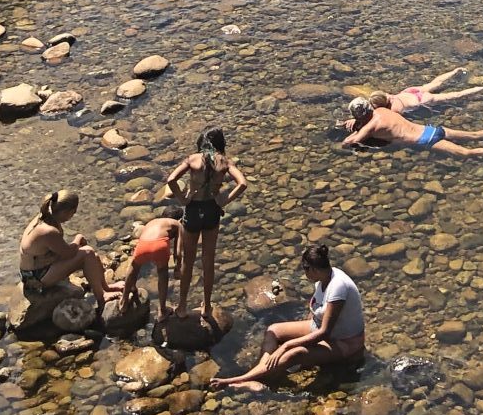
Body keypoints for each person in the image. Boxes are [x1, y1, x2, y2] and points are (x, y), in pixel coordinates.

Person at [211, 242, 366, 393]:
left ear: (312, 269)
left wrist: (287, 345)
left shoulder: (338, 287)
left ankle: (239, 381)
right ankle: (259, 372)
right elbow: (314, 310)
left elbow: (325, 332)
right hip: (320, 328)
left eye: (305, 269)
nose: (304, 274)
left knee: (295, 353)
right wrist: (300, 337)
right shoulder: (324, 278)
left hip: (344, 342)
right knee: (274, 330)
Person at [167, 126, 247, 323]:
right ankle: (207, 306)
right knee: (208, 260)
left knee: (188, 261)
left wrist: (182, 199)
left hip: (193, 210)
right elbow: (243, 183)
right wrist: (224, 200)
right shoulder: (225, 162)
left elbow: (171, 179)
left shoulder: (192, 159)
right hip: (212, 210)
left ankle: (182, 306)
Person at [18, 189, 113, 322]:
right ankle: (101, 298)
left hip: (39, 265)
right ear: (68, 211)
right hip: (35, 278)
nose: (72, 216)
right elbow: (69, 253)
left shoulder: (46, 216)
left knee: (93, 256)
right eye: (73, 213)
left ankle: (106, 288)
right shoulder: (48, 231)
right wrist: (78, 238)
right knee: (88, 253)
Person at [340, 94, 483, 159]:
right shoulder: (382, 110)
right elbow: (373, 116)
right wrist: (358, 121)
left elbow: (349, 143)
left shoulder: (370, 127)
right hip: (432, 129)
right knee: (473, 135)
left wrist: (353, 131)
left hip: (426, 140)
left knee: (467, 153)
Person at [350, 66, 483, 119]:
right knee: (435, 83)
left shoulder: (394, 109)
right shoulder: (387, 96)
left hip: (422, 100)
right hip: (410, 92)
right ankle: (455, 71)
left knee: (456, 95)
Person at [118, 205, 184, 320]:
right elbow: (178, 251)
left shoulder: (152, 222)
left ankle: (124, 300)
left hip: (143, 243)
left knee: (134, 266)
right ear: (180, 219)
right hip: (160, 245)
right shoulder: (177, 224)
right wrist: (177, 268)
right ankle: (162, 310)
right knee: (162, 273)